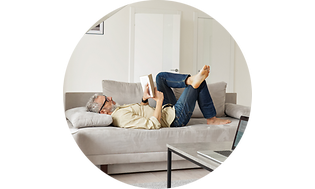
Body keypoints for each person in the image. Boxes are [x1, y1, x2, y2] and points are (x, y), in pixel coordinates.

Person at [86, 65, 231, 129]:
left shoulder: (118, 110)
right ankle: (211, 118)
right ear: (103, 112)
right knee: (199, 83)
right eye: (106, 100)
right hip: (175, 118)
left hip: (168, 109)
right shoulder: (120, 118)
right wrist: (159, 101)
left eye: (106, 96)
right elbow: (153, 124)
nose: (110, 97)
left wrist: (144, 99)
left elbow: (142, 111)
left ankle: (189, 80)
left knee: (160, 77)